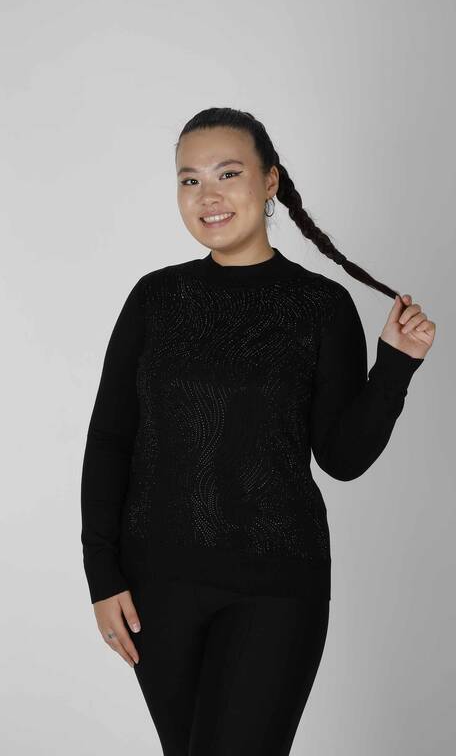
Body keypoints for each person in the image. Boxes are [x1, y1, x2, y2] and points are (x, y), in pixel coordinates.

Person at [80, 107, 435, 755]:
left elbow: (341, 457)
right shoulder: (154, 300)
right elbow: (110, 441)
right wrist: (102, 576)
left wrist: (394, 368)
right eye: (189, 180)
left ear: (269, 181)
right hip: (157, 588)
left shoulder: (320, 306)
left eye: (228, 174)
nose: (207, 196)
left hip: (278, 587)